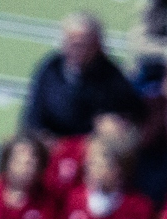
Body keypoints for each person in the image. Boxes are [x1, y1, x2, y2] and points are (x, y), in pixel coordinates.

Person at [24, 11, 144, 144]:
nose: (77, 49)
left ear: (97, 45)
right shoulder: (51, 69)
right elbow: (33, 119)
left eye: (83, 44)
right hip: (54, 147)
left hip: (91, 149)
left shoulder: (113, 78)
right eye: (72, 43)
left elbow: (129, 117)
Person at [60, 138, 155, 219]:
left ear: (119, 170)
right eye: (90, 164)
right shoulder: (75, 198)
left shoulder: (139, 207)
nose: (92, 170)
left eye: (100, 165)